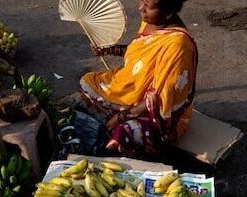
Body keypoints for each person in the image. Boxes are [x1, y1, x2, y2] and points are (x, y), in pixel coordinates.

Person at [78, 0, 198, 157]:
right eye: (141, 2)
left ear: (168, 13)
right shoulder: (152, 22)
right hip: (132, 89)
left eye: (148, 6)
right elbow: (138, 52)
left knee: (126, 133)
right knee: (87, 83)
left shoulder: (178, 44)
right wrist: (109, 49)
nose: (141, 9)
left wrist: (120, 117)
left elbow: (161, 99)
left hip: (155, 109)